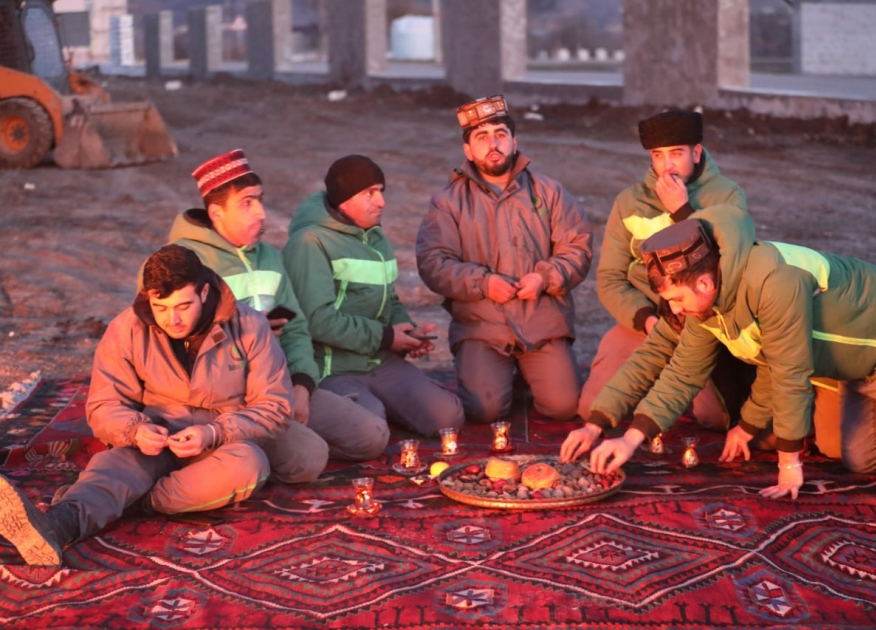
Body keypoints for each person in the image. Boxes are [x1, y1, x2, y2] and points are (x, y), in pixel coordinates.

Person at [565, 215, 876, 497]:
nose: (675, 310)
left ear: (704, 282)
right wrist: (627, 438)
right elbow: (682, 374)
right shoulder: (706, 306)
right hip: (858, 370)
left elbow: (791, 373)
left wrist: (789, 462)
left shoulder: (774, 282)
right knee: (861, 460)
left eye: (677, 299)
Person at [0, 245, 293, 566]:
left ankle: (136, 502)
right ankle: (58, 525)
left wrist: (213, 432)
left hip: (222, 438)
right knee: (115, 467)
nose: (172, 319)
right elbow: (103, 405)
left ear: (204, 292)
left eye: (183, 306)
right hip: (154, 438)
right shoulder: (126, 329)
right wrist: (135, 430)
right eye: (161, 307)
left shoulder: (249, 325)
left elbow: (275, 406)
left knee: (251, 464)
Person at [169, 149, 389, 471]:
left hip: (276, 388)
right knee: (308, 460)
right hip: (218, 403)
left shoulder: (270, 258)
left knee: (371, 436)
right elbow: (166, 348)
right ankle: (236, 452)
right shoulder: (180, 264)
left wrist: (301, 384)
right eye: (247, 203)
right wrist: (241, 332)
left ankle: (259, 449)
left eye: (260, 200)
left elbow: (296, 328)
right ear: (216, 212)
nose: (261, 213)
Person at [416, 95, 592, 424]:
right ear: (468, 150)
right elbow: (433, 262)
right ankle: (495, 371)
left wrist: (544, 279)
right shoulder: (448, 202)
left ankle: (530, 372)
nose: (493, 144)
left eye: (500, 134)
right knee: (485, 411)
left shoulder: (549, 192)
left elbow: (577, 248)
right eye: (481, 137)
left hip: (541, 320)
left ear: (514, 142)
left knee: (564, 407)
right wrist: (483, 283)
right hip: (481, 325)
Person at [577, 109, 753, 432]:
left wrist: (681, 211)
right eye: (658, 155)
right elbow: (610, 279)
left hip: (701, 325)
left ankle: (672, 389)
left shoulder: (727, 195)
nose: (667, 165)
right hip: (647, 322)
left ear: (696, 152)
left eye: (676, 154)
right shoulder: (629, 201)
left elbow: (728, 269)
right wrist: (646, 319)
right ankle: (651, 385)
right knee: (593, 410)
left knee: (717, 419)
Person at [282, 154, 464, 436]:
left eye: (380, 191)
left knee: (448, 418)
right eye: (370, 193)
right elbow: (317, 320)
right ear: (344, 199)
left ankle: (381, 405)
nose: (381, 202)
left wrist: (406, 332)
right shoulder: (310, 242)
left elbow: (389, 300)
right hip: (333, 368)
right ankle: (356, 408)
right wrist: (386, 337)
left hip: (380, 359)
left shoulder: (377, 239)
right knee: (370, 431)